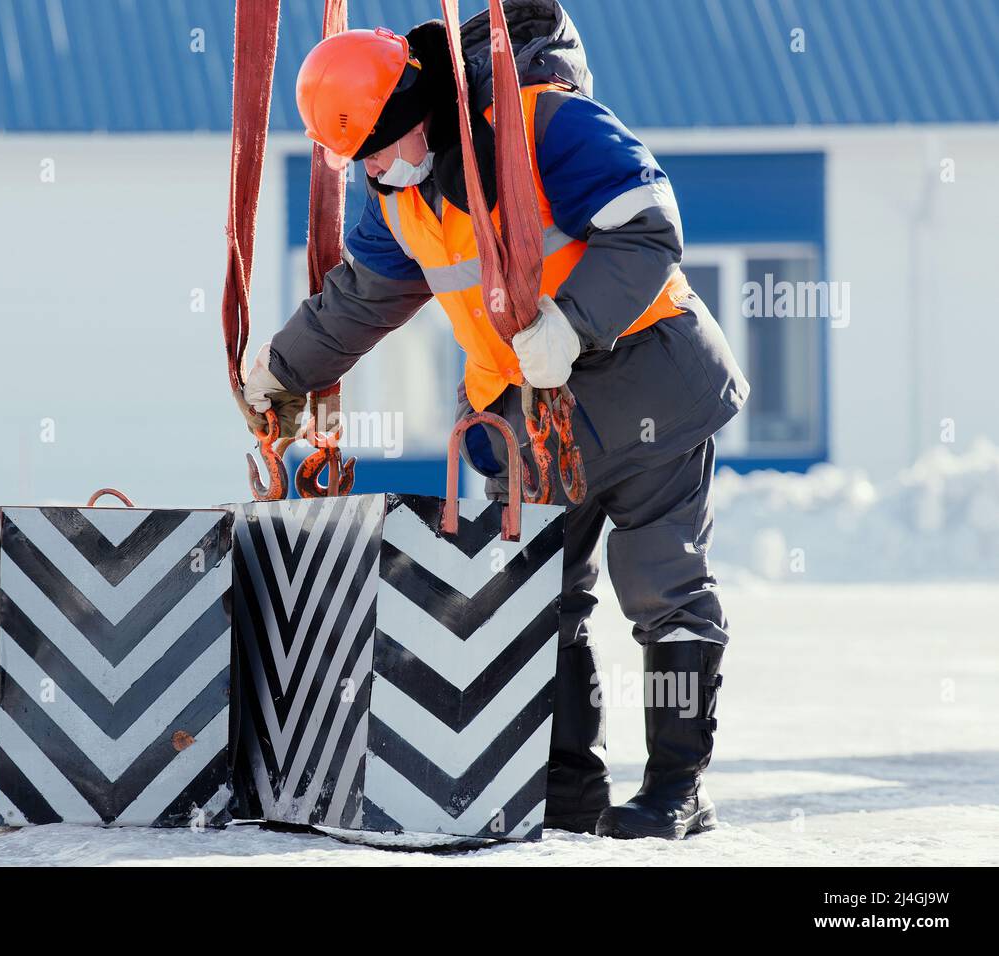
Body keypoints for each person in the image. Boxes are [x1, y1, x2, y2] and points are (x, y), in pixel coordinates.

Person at [241, 0, 748, 839]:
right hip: (531, 426)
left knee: (666, 591)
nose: (369, 171)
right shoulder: (395, 192)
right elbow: (362, 299)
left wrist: (574, 323)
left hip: (651, 386)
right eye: (353, 159)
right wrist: (281, 372)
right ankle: (570, 793)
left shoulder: (545, 124)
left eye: (375, 150)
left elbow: (650, 230)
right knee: (547, 602)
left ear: (414, 117)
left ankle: (675, 792)